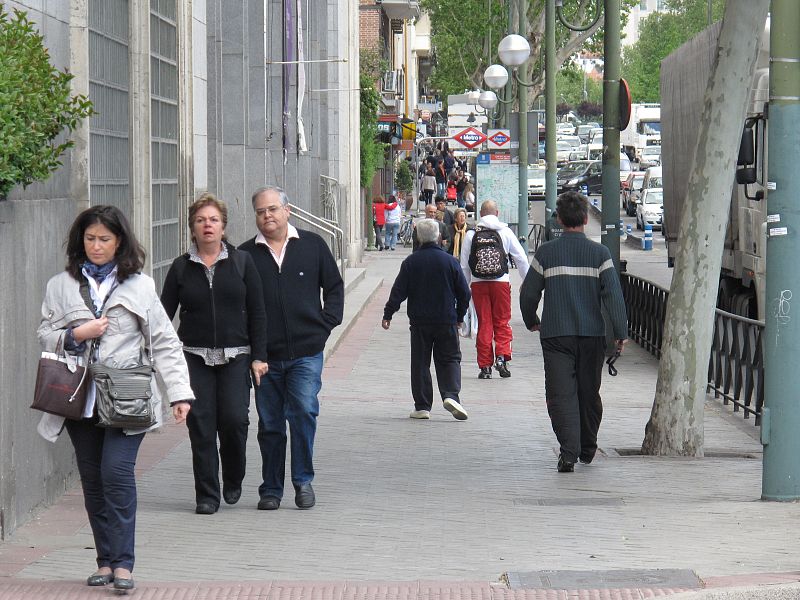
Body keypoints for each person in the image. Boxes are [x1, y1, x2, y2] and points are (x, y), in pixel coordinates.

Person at [36, 205, 194, 592]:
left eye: (104, 239)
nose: (96, 246)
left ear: (119, 241)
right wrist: (76, 334)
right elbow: (45, 334)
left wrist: (179, 393)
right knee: (92, 479)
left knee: (116, 473)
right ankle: (104, 561)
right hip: (79, 396)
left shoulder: (139, 286)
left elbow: (164, 342)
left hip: (127, 396)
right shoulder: (60, 285)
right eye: (89, 238)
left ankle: (124, 564)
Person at [161, 194, 269, 515]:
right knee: (202, 424)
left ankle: (233, 476)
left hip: (236, 355)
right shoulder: (180, 268)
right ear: (192, 228)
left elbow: (258, 312)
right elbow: (163, 318)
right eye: (200, 220)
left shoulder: (242, 262)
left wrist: (258, 356)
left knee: (235, 420)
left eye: (213, 220)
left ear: (223, 226)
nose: (207, 225)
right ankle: (207, 493)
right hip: (193, 357)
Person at [239, 186, 344, 511]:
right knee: (269, 423)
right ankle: (271, 489)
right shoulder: (246, 256)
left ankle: (303, 481)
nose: (267, 216)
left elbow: (335, 287)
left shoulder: (312, 246)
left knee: (302, 412)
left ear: (288, 211)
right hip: (265, 357)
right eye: (260, 211)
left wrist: (324, 325)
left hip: (305, 353)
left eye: (272, 209)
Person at [519, 191, 627, 473]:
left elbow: (528, 293)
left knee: (560, 394)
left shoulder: (546, 253)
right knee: (589, 392)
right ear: (585, 218)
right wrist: (620, 333)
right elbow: (613, 296)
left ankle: (568, 452)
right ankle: (587, 448)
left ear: (559, 218)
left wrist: (531, 319)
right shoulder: (600, 254)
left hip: (556, 335)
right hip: (592, 335)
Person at [382, 219, 471, 420]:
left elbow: (398, 292)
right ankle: (451, 395)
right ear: (439, 237)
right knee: (449, 358)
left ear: (418, 238)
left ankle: (422, 406)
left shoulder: (411, 262)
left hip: (420, 322)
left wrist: (388, 314)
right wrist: (459, 316)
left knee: (420, 362)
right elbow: (464, 293)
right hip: (446, 320)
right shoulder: (450, 262)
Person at [459, 200, 529, 379]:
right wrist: (527, 282)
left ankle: (485, 367)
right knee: (502, 321)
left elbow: (465, 265)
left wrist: (463, 289)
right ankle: (502, 358)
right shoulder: (505, 232)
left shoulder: (471, 234)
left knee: (484, 323)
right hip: (501, 283)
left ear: (480, 214)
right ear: (497, 213)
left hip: (478, 284)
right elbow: (521, 258)